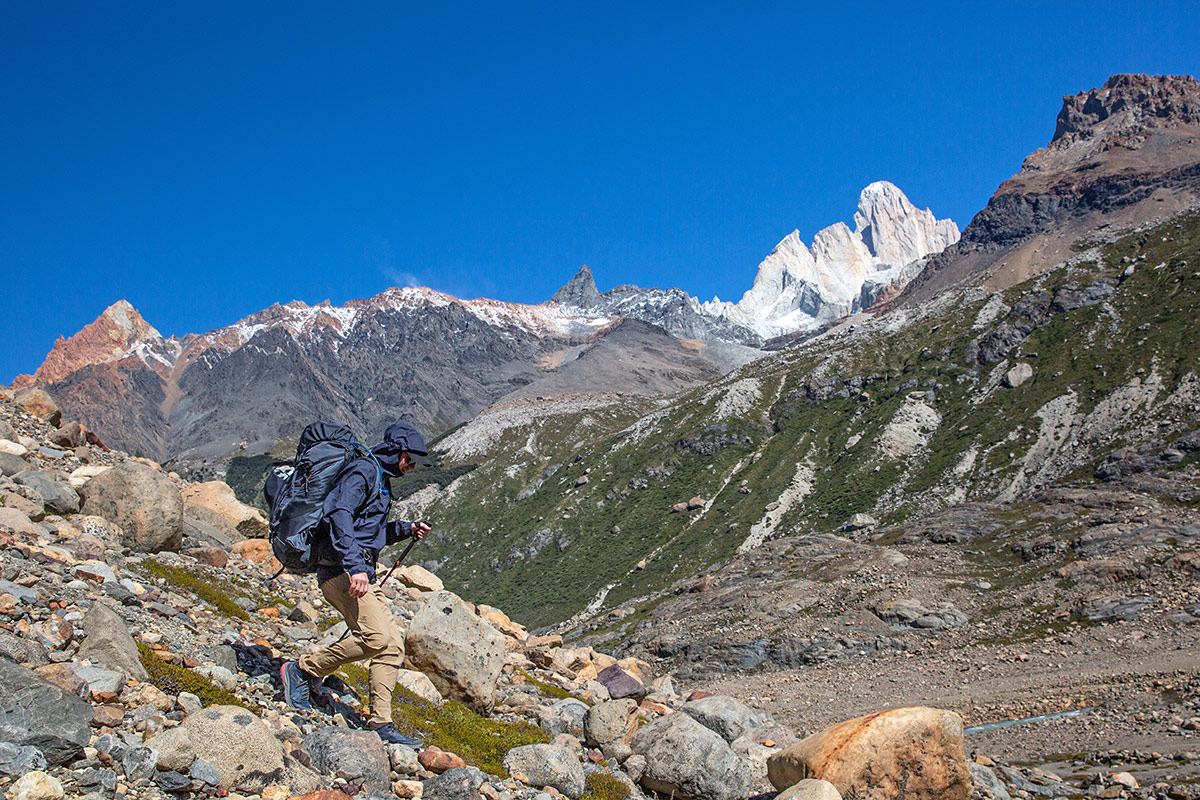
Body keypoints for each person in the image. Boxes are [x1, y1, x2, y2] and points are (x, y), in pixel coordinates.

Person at [281, 421, 433, 747]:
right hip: (343, 573)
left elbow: (370, 533)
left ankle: (381, 722)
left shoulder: (380, 478)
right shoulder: (364, 471)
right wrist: (354, 566)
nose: (413, 466)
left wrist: (407, 529)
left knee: (391, 646)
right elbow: (338, 513)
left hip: (361, 572)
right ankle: (303, 670)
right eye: (410, 458)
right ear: (396, 452)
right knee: (376, 638)